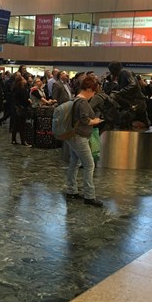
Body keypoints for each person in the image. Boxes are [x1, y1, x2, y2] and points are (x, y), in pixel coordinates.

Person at [64, 75, 105, 207]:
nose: (93, 94)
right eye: (93, 91)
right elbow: (84, 120)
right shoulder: (82, 102)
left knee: (74, 163)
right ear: (88, 89)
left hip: (72, 135)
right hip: (80, 137)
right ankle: (89, 196)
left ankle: (71, 190)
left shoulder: (75, 99)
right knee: (89, 165)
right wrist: (95, 121)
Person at [11, 75, 32, 146]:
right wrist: (29, 101)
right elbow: (25, 99)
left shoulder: (15, 88)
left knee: (16, 124)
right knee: (22, 125)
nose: (24, 80)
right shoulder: (21, 89)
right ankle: (23, 141)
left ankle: (13, 139)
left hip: (16, 108)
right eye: (23, 79)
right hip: (21, 109)